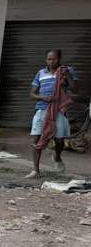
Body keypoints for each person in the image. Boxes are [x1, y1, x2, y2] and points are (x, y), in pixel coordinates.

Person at [27, 49, 78, 178]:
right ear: (46, 60)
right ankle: (35, 170)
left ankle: (57, 155)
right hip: (41, 108)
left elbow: (75, 89)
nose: (51, 61)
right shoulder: (40, 73)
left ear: (59, 59)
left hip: (58, 110)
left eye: (53, 59)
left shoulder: (66, 71)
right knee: (36, 138)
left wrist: (68, 76)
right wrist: (43, 97)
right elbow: (32, 94)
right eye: (49, 59)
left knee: (60, 140)